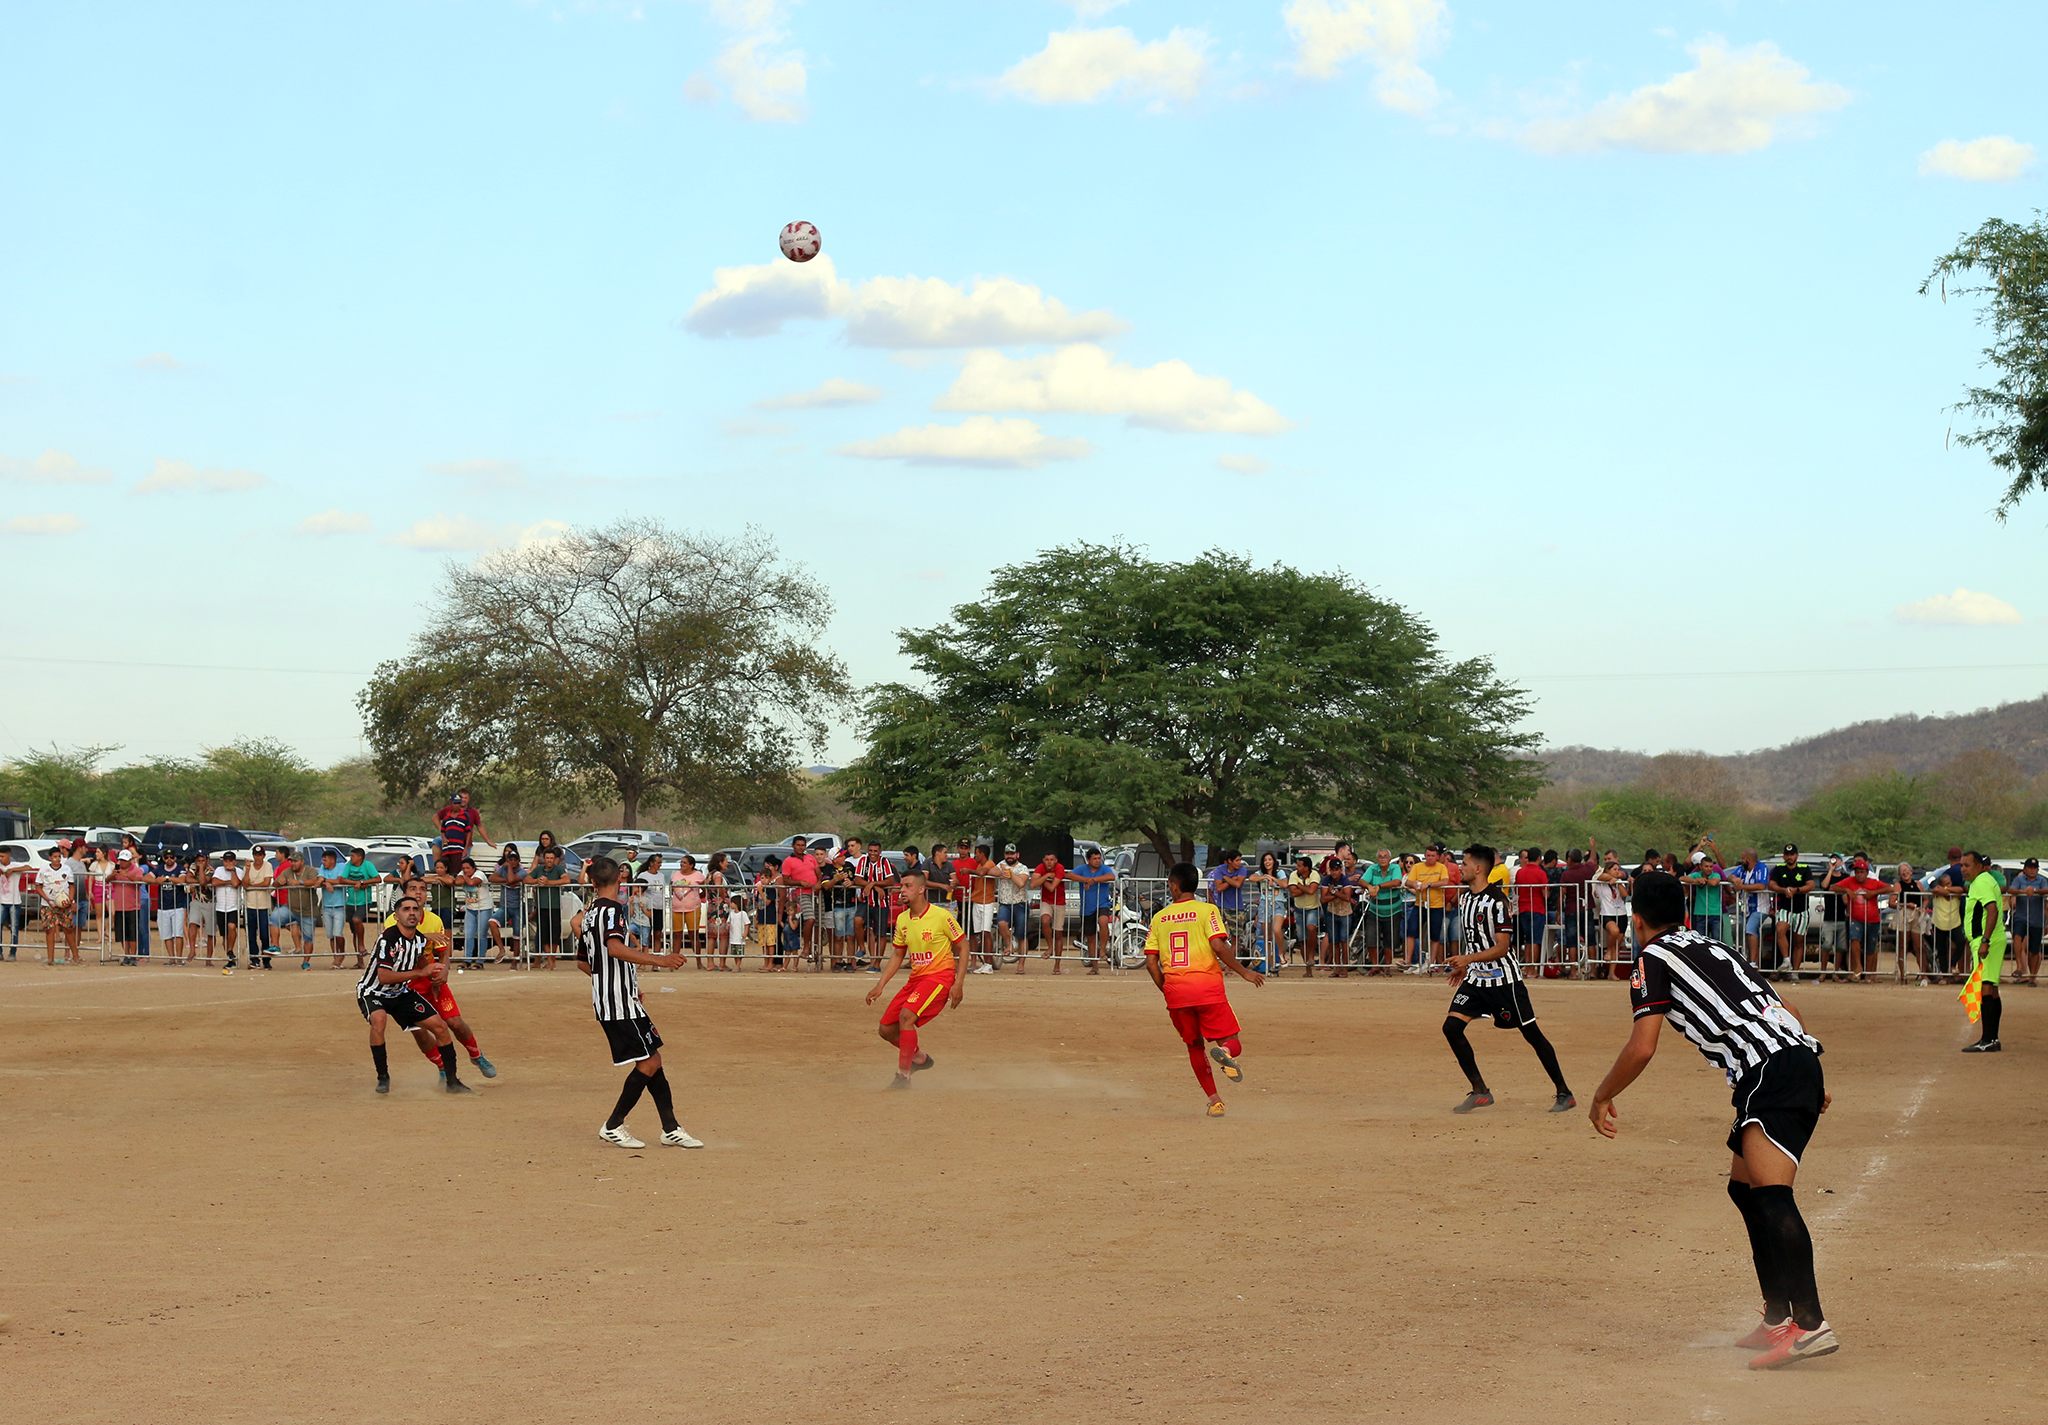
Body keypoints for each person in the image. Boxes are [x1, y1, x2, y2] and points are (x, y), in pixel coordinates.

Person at [1589, 870, 1836, 1370]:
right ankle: (1777, 1316)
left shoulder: (1651, 958)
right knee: (1744, 1190)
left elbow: (1643, 1047)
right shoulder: (1711, 944)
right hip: (1782, 1065)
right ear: (1683, 913)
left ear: (1636, 920)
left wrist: (1601, 1095)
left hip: (1770, 1071)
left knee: (1771, 1196)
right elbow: (1785, 1006)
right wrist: (1807, 1065)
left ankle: (1810, 1325)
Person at [573, 856, 697, 1147]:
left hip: (617, 997)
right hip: (617, 1003)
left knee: (654, 1059)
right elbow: (614, 949)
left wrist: (619, 981)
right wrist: (661, 960)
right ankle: (613, 1125)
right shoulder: (613, 910)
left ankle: (670, 1128)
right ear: (620, 880)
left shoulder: (589, 914)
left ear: (592, 882)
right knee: (649, 1061)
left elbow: (583, 963)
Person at [1443, 844, 1575, 1115]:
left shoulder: (1498, 902)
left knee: (1532, 1035)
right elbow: (1476, 940)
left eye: (1465, 864)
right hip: (1477, 981)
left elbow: (1502, 947)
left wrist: (1468, 960)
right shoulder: (1467, 899)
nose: (1461, 868)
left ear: (1478, 869)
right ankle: (1480, 1091)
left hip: (1505, 981)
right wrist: (1466, 967)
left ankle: (1565, 1092)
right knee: (1451, 1028)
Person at [1141, 861, 1265, 1117]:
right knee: (1232, 1040)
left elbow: (1151, 964)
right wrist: (1244, 971)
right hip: (1207, 989)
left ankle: (1215, 1101)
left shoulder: (1159, 918)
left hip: (1177, 992)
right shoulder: (1207, 910)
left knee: (1194, 1046)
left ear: (1174, 886)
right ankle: (1226, 1053)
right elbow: (1219, 947)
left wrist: (1168, 991)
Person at [382, 876, 498, 1080]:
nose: (419, 893)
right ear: (404, 895)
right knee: (419, 1030)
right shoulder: (393, 920)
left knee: (455, 1022)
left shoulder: (434, 920)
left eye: (423, 889)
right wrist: (425, 937)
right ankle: (442, 1067)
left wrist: (444, 970)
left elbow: (443, 953)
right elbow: (398, 941)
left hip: (431, 980)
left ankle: (476, 1054)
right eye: (413, 889)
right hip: (407, 986)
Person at [357, 896, 472, 1096]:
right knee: (379, 1020)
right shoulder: (388, 939)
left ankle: (453, 1082)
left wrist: (433, 980)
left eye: (415, 909)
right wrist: (421, 974)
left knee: (440, 1026)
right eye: (406, 909)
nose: (412, 912)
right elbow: (383, 977)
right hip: (373, 992)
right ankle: (383, 1077)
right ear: (396, 916)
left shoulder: (419, 939)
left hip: (400, 992)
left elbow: (420, 959)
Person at [864, 868, 966, 1089]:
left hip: (939, 978)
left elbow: (963, 946)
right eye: (902, 886)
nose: (902, 890)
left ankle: (903, 1076)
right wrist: (880, 985)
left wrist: (958, 983)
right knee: (886, 1029)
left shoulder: (941, 916)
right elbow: (898, 954)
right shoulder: (902, 919)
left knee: (906, 1016)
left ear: (921, 889)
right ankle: (919, 1058)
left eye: (908, 886)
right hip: (916, 980)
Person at [1961, 850, 2008, 1051]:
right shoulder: (1985, 880)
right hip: (1989, 939)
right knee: (1991, 988)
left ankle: (1988, 1039)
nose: (1963, 869)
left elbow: (1992, 909)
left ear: (1979, 866)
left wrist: (1985, 941)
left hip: (1986, 941)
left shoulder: (1980, 882)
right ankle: (1992, 1038)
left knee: (1986, 987)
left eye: (1967, 865)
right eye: (1962, 865)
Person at [1835, 856, 1886, 982]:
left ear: (1867, 873)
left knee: (1871, 947)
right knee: (1854, 939)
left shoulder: (1874, 883)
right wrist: (1846, 889)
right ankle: (1858, 966)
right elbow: (1832, 887)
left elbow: (1890, 888)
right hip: (1856, 918)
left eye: (1862, 872)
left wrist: (1874, 893)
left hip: (1872, 918)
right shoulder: (1849, 881)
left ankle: (1868, 974)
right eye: (1857, 872)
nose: (1859, 875)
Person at [1766, 846, 1814, 981]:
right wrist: (1783, 890)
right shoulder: (1779, 868)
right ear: (1783, 856)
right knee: (1780, 929)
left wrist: (1796, 890)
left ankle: (1795, 972)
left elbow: (1811, 885)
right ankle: (1786, 960)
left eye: (1792, 854)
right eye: (1787, 854)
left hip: (1801, 910)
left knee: (1798, 941)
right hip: (1785, 909)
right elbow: (1771, 885)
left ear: (1797, 855)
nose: (1789, 857)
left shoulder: (1804, 868)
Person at [1405, 844, 1452, 972]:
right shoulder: (1417, 867)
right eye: (1428, 856)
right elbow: (1407, 882)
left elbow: (1445, 881)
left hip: (1436, 906)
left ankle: (1431, 963)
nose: (1430, 858)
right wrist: (1414, 884)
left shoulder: (1441, 867)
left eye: (1432, 856)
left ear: (1437, 857)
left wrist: (1429, 884)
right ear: (1425, 856)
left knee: (1434, 935)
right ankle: (1408, 960)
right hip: (1419, 904)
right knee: (1411, 931)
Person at [275, 848, 323, 969]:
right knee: (274, 918)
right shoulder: (287, 871)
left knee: (308, 937)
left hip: (308, 910)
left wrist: (300, 882)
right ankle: (275, 945)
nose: (293, 864)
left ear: (302, 861)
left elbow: (314, 881)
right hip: (291, 908)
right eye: (291, 861)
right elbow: (274, 884)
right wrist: (278, 882)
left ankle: (306, 961)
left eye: (295, 861)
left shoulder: (311, 870)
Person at [1927, 847, 1970, 984]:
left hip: (1954, 922)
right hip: (1940, 923)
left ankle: (1952, 964)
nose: (1948, 886)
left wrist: (1946, 889)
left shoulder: (1954, 892)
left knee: (1961, 942)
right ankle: (1945, 974)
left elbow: (1960, 889)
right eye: (1945, 884)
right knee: (1941, 949)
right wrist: (1945, 890)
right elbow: (1934, 889)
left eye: (1949, 883)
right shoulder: (1937, 892)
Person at [1073, 847, 1117, 974]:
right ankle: (1094, 967)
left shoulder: (1104, 868)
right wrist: (1084, 879)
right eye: (1095, 859)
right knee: (1091, 937)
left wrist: (1094, 880)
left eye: (1099, 858)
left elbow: (1111, 876)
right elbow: (1069, 875)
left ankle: (1103, 949)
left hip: (1102, 903)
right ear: (1088, 860)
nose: (1098, 861)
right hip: (1087, 907)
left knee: (1103, 922)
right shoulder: (1082, 869)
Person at [1725, 847, 1771, 969]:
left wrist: (1743, 887)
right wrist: (1735, 879)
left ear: (1748, 859)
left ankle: (1753, 962)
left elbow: (1761, 885)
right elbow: (1729, 877)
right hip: (1746, 908)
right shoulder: (1742, 869)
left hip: (1760, 907)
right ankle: (1749, 959)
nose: (1741, 860)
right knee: (1747, 933)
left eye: (1743, 858)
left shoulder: (1761, 868)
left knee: (1751, 929)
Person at [34, 846, 77, 966]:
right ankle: (50, 958)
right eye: (54, 857)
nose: (57, 859)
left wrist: (71, 900)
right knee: (49, 930)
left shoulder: (67, 869)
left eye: (59, 856)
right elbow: (38, 886)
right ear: (50, 858)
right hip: (48, 905)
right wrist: (47, 899)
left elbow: (72, 886)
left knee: (68, 930)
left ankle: (76, 956)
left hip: (64, 905)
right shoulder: (44, 870)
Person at [2007, 856, 2046, 987]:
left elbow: (2046, 890)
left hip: (2037, 919)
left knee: (2034, 950)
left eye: (2035, 868)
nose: (2032, 870)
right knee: (2017, 937)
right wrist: (2023, 891)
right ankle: (2019, 965)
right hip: (2021, 917)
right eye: (2030, 868)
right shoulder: (2019, 879)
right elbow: (2011, 890)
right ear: (2025, 869)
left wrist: (2035, 891)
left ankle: (2032, 977)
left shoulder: (2042, 880)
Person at [1591, 850, 1630, 977]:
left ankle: (1612, 973)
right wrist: (1611, 878)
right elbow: (1602, 877)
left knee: (1618, 946)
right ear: (1608, 870)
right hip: (1607, 913)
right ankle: (1608, 950)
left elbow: (1625, 894)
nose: (1617, 872)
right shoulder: (1601, 880)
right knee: (1614, 931)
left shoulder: (1619, 882)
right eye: (1614, 869)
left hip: (1621, 913)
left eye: (1618, 869)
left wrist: (1617, 882)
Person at [339, 846, 380, 969]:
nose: (351, 858)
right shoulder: (349, 866)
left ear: (359, 857)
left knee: (357, 920)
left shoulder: (368, 865)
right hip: (351, 901)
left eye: (352, 856)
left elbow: (378, 879)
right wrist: (356, 883)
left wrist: (363, 882)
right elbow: (342, 879)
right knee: (354, 932)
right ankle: (360, 960)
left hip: (363, 901)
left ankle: (361, 944)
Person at [529, 846, 570, 968]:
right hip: (542, 907)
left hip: (555, 906)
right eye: (547, 858)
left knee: (555, 934)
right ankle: (550, 961)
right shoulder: (539, 869)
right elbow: (526, 879)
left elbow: (567, 880)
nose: (549, 860)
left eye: (552, 858)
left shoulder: (559, 869)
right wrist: (538, 881)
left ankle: (552, 959)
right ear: (544, 858)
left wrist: (549, 883)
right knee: (544, 935)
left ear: (554, 859)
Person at [992, 844, 1032, 969]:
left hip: (1020, 903)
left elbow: (1021, 883)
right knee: (1001, 923)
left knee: (1021, 935)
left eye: (1012, 854)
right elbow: (990, 871)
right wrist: (1000, 871)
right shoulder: (1001, 864)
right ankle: (1009, 944)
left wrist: (1010, 873)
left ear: (1017, 855)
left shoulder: (1023, 868)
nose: (1009, 856)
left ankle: (1021, 964)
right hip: (1005, 903)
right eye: (1007, 854)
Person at [1511, 847, 1549, 974]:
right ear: (1539, 858)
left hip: (1523, 908)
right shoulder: (1541, 873)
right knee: (1535, 940)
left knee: (1528, 940)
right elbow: (1545, 893)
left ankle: (1528, 968)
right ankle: (1532, 969)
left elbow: (1516, 891)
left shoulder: (1520, 872)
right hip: (1537, 908)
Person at [1319, 854, 1357, 978]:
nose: (1334, 872)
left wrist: (1334, 892)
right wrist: (1338, 894)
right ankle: (1337, 967)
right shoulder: (1326, 880)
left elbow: (1347, 897)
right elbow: (1323, 899)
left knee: (1343, 941)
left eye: (1337, 870)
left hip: (1345, 913)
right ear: (1330, 870)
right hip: (1332, 911)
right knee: (1334, 941)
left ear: (1340, 870)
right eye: (1332, 870)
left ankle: (1344, 967)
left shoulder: (1344, 880)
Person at [1893, 860, 1930, 983]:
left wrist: (1923, 907)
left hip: (1917, 913)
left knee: (1919, 945)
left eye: (1906, 870)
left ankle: (1923, 974)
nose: (1904, 873)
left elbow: (1925, 899)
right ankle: (1903, 974)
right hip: (1904, 913)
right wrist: (1906, 904)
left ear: (1910, 871)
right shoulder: (1898, 885)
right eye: (1902, 871)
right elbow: (1892, 902)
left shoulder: (1918, 884)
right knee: (1903, 945)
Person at [488, 845, 526, 965]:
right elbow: (491, 878)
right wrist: (506, 880)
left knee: (516, 936)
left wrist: (509, 871)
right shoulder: (503, 870)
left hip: (517, 907)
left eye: (515, 860)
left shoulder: (522, 872)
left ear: (519, 861)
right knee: (492, 922)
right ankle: (501, 949)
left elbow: (511, 879)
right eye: (510, 859)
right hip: (505, 906)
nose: (513, 862)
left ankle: (515, 962)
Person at [242, 844, 277, 970]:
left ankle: (266, 959)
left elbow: (267, 883)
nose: (258, 857)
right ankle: (254, 959)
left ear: (263, 856)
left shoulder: (268, 866)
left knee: (264, 934)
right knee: (251, 934)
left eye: (260, 855)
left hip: (263, 905)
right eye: (256, 855)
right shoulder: (248, 866)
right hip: (250, 905)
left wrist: (252, 886)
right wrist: (247, 871)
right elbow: (245, 884)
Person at [1031, 850, 1068, 969]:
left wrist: (1041, 879)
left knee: (1058, 933)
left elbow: (1052, 887)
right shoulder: (1040, 868)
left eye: (1051, 860)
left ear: (1056, 860)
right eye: (1047, 860)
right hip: (1046, 901)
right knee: (1045, 921)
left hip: (1059, 902)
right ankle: (1050, 947)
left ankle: (1057, 964)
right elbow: (1032, 884)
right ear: (1043, 860)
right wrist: (1046, 876)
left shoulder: (1060, 868)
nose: (1049, 862)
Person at [1286, 854, 1322, 975]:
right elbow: (1293, 893)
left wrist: (1300, 886)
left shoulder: (1315, 874)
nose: (1297, 868)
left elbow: (1312, 891)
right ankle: (1308, 968)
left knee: (1311, 928)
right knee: (1302, 939)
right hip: (1299, 909)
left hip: (1312, 908)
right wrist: (1306, 888)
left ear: (1306, 868)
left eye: (1299, 865)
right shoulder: (1293, 875)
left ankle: (1311, 955)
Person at [1684, 844, 1725, 947]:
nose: (1709, 869)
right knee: (1700, 943)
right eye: (1706, 866)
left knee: (1717, 942)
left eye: (1711, 866)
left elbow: (1715, 882)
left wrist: (1704, 881)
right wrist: (1696, 880)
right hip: (1700, 913)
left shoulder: (1715, 874)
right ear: (1701, 867)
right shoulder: (1696, 875)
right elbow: (1682, 879)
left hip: (1715, 913)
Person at [212, 850, 245, 969]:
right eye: (226, 861)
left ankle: (230, 950)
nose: (228, 863)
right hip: (220, 907)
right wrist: (227, 882)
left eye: (230, 861)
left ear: (234, 862)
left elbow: (236, 883)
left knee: (232, 926)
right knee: (225, 936)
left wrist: (232, 871)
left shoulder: (239, 871)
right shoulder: (218, 870)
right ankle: (230, 957)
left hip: (233, 906)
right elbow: (214, 882)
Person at [435, 788, 488, 853]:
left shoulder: (473, 812)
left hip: (464, 845)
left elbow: (480, 827)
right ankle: (436, 863)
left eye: (465, 798)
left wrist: (488, 842)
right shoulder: (449, 809)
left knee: (461, 862)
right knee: (436, 841)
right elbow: (435, 818)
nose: (463, 800)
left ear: (469, 799)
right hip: (449, 843)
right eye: (461, 798)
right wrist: (442, 831)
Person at [722, 890, 750, 972]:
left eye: (732, 903)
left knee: (739, 952)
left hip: (740, 937)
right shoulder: (731, 913)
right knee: (734, 952)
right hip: (733, 936)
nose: (730, 904)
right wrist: (728, 925)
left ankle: (738, 965)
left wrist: (745, 933)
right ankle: (737, 965)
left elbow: (747, 924)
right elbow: (729, 921)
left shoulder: (743, 913)